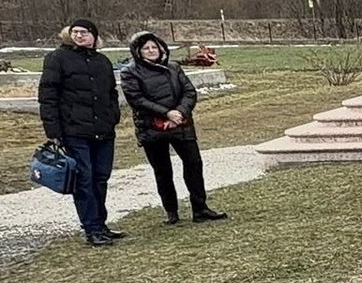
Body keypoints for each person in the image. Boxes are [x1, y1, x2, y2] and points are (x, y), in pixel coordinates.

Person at [120, 31, 226, 227]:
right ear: (138, 51)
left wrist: (178, 113)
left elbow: (189, 92)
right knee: (162, 170)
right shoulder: (130, 72)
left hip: (180, 124)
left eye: (154, 47)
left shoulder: (174, 67)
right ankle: (171, 211)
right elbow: (137, 100)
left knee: (194, 164)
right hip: (152, 127)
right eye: (146, 48)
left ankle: (200, 207)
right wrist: (165, 114)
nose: (151, 51)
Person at [39, 19, 125, 247]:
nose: (79, 36)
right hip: (74, 129)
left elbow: (111, 93)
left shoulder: (102, 61)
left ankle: (101, 223)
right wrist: (53, 130)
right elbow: (48, 96)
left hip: (103, 130)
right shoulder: (57, 59)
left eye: (84, 32)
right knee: (84, 180)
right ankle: (92, 228)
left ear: (94, 36)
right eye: (75, 32)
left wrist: (113, 116)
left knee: (101, 178)